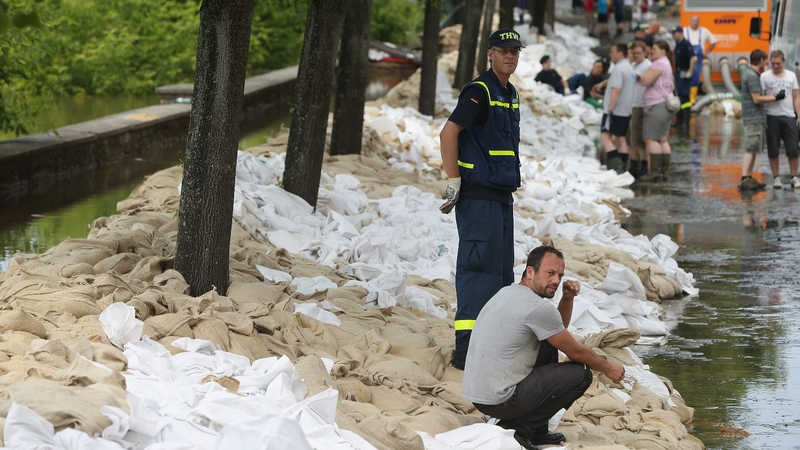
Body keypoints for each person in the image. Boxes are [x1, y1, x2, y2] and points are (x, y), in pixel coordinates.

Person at [463, 246, 626, 450]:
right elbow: (575, 351)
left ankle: (538, 432)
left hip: (479, 393)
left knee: (550, 342)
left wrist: (567, 297)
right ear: (530, 272)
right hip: (500, 398)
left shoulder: (508, 291)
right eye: (550, 273)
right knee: (581, 374)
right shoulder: (536, 307)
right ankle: (519, 431)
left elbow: (557, 329)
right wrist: (608, 367)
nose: (556, 281)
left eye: (560, 275)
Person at [439, 28, 523, 369]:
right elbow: (449, 133)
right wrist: (454, 181)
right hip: (478, 198)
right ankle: (465, 352)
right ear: (490, 53)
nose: (510, 55)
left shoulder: (510, 93)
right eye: (504, 50)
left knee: (501, 275)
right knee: (477, 274)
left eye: (515, 51)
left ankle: (492, 344)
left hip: (501, 198)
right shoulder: (480, 90)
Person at [738, 49, 784, 191]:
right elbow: (756, 99)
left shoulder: (750, 74)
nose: (767, 62)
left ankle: (748, 177)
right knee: (750, 148)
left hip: (754, 118)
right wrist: (775, 98)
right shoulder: (752, 76)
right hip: (753, 118)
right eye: (766, 60)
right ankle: (745, 178)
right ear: (762, 60)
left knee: (753, 148)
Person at [760, 50, 800, 189]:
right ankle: (776, 178)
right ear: (770, 61)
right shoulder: (764, 77)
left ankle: (794, 177)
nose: (776, 66)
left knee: (793, 148)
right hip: (772, 116)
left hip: (789, 115)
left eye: (778, 63)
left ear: (784, 61)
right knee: (773, 149)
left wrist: (798, 115)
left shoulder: (791, 75)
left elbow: (796, 96)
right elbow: (761, 97)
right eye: (773, 63)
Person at [639, 40, 676, 181]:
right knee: (662, 139)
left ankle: (655, 173)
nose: (651, 51)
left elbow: (645, 80)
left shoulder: (659, 63)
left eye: (654, 49)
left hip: (656, 104)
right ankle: (664, 173)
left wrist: (644, 73)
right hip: (665, 104)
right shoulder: (667, 63)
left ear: (663, 51)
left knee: (651, 139)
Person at [600, 43, 636, 173]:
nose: (610, 55)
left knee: (605, 138)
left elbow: (616, 90)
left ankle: (617, 169)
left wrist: (610, 109)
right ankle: (623, 169)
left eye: (612, 52)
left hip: (615, 110)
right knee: (621, 138)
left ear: (620, 53)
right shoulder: (630, 69)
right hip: (626, 110)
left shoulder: (619, 69)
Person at [628, 40, 652, 178]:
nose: (636, 55)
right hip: (630, 103)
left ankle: (643, 164)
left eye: (638, 53)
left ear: (644, 53)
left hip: (640, 103)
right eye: (633, 53)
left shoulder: (647, 65)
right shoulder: (632, 65)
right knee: (631, 136)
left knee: (639, 136)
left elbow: (631, 77)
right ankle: (633, 163)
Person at [684, 15, 717, 104]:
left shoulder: (704, 31)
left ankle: (692, 99)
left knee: (695, 78)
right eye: (693, 21)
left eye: (697, 21)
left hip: (698, 58)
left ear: (699, 22)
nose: (695, 23)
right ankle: (685, 98)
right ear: (689, 21)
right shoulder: (684, 31)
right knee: (685, 78)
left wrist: (706, 53)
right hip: (686, 59)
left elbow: (713, 42)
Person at [670, 26, 696, 130]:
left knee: (685, 98)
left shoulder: (686, 44)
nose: (673, 35)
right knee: (679, 97)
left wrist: (690, 72)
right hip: (678, 73)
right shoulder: (678, 45)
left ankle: (685, 121)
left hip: (683, 73)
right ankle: (679, 120)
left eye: (675, 33)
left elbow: (694, 59)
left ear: (680, 33)